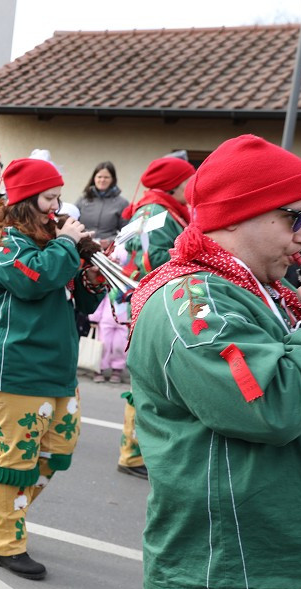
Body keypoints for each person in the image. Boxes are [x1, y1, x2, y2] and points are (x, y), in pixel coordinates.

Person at [127, 134, 301, 589]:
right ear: (241, 213)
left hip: (299, 566)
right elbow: (267, 406)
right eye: (294, 218)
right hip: (239, 572)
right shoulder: (191, 302)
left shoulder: (270, 295)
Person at [0, 158, 104, 580]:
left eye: (59, 197)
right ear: (26, 200)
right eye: (49, 197)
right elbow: (31, 280)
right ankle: (6, 542)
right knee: (17, 459)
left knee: (59, 450)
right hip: (15, 365)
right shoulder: (4, 241)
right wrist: (66, 245)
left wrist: (91, 275)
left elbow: (79, 303)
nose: (57, 205)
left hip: (56, 364)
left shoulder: (52, 241)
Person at [116, 155, 196, 479]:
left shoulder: (160, 210)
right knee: (147, 379)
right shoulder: (156, 212)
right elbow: (149, 258)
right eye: (189, 180)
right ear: (175, 185)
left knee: (149, 379)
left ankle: (137, 451)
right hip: (144, 301)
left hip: (144, 300)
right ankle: (134, 453)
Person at [75, 161, 128, 242]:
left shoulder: (122, 203)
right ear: (94, 178)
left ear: (113, 179)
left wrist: (110, 241)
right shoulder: (82, 201)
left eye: (106, 177)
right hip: (82, 247)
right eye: (99, 177)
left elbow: (127, 232)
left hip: (108, 251)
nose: (102, 180)